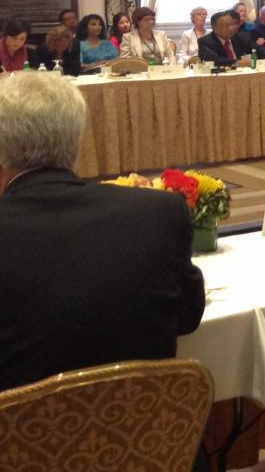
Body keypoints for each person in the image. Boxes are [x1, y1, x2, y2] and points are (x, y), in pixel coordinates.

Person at [0, 72, 205, 391]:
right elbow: (188, 317)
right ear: (77, 140)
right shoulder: (158, 213)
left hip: (22, 438)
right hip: (147, 433)